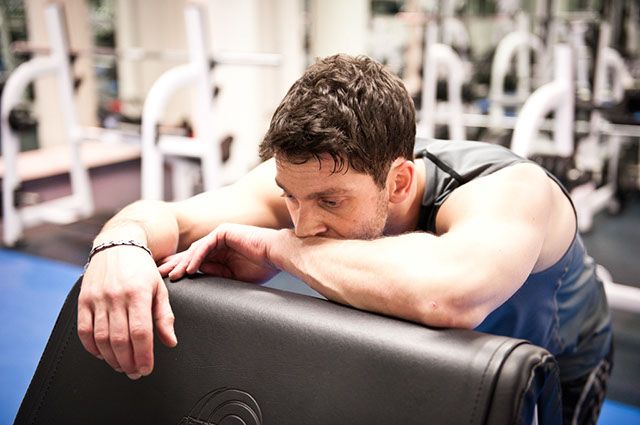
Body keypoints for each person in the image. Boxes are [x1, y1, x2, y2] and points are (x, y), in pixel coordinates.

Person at [79, 54, 612, 424]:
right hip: (429, 351)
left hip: (556, 359)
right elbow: (173, 218)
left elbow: (448, 295)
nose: (305, 221)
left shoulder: (510, 189)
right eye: (291, 197)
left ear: (399, 181)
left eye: (331, 203)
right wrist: (120, 242)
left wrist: (280, 246)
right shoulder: (310, 180)